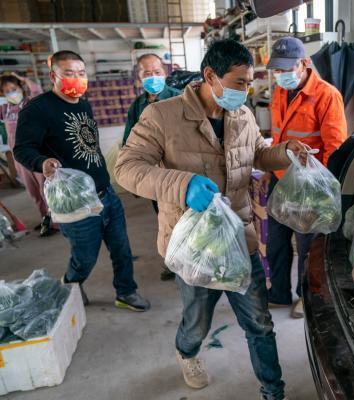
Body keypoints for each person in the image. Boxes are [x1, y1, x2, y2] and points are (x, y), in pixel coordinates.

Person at [114, 40, 307, 400]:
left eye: (249, 83)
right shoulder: (162, 116)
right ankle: (186, 353)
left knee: (260, 325)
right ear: (210, 76)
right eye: (239, 83)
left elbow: (257, 156)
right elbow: (126, 168)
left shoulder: (243, 114)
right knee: (197, 321)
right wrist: (181, 184)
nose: (245, 91)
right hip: (194, 245)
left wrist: (285, 152)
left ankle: (273, 392)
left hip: (238, 237)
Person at [13, 50, 150, 312]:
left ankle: (126, 292)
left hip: (105, 193)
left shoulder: (84, 104)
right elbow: (22, 149)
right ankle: (71, 282)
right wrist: (42, 163)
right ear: (54, 76)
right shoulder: (38, 109)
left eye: (81, 73)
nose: (76, 79)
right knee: (85, 257)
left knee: (121, 249)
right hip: (74, 202)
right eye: (69, 73)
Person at [261, 37, 347, 318]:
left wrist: (320, 188)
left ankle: (305, 297)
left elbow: (335, 147)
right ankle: (279, 292)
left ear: (305, 63)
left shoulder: (326, 95)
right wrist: (267, 167)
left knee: (307, 246)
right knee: (276, 239)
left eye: (288, 68)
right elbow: (277, 136)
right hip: (281, 176)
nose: (283, 75)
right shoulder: (278, 93)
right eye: (278, 70)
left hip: (308, 183)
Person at [122, 53, 181, 281]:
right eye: (147, 73)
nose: (153, 77)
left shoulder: (180, 98)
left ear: (165, 73)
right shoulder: (137, 107)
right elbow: (129, 142)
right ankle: (174, 263)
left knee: (186, 218)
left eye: (157, 72)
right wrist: (134, 179)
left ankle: (191, 262)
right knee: (164, 219)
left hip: (179, 171)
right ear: (139, 77)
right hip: (154, 177)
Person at [0, 73, 54, 236]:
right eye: (7, 91)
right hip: (20, 158)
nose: (11, 93)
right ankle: (46, 220)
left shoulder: (30, 103)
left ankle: (56, 221)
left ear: (21, 88)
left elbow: (37, 90)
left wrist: (22, 78)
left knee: (46, 190)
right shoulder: (4, 110)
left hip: (37, 154)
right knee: (33, 192)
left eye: (14, 89)